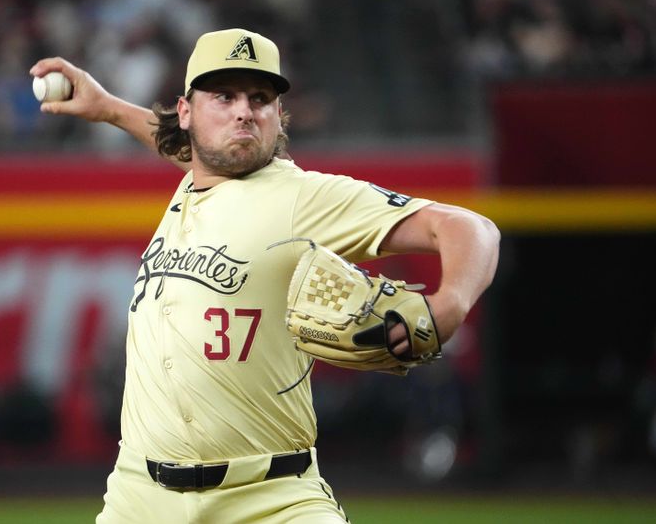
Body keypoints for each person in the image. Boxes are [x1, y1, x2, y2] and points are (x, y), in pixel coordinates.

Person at [30, 28, 500, 524]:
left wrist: (450, 304)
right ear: (185, 112)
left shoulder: (303, 197)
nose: (243, 111)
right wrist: (107, 108)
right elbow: (187, 147)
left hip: (271, 498)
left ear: (279, 117)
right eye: (224, 96)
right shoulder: (196, 178)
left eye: (260, 99)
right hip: (140, 497)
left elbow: (473, 227)